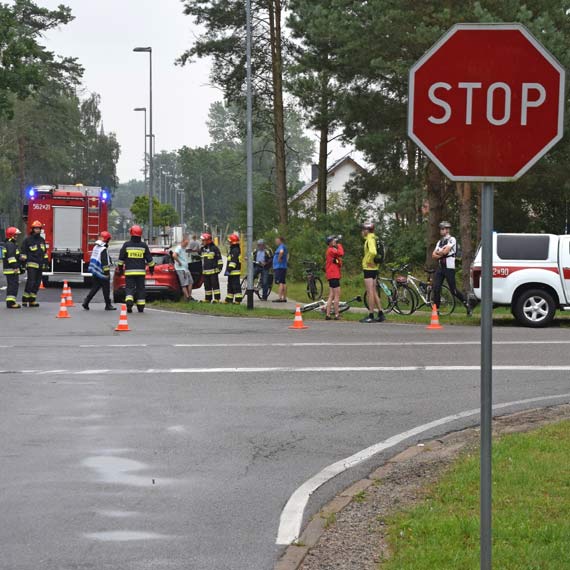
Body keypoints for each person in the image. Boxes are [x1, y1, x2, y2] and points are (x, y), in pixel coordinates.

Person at [432, 221, 472, 315]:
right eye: (441, 229)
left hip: (449, 268)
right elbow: (433, 255)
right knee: (436, 288)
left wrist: (439, 253)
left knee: (453, 290)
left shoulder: (452, 239)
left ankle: (467, 304)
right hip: (441, 267)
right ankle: (436, 309)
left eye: (443, 229)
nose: (441, 231)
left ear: (447, 230)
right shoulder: (440, 242)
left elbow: (445, 252)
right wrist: (440, 253)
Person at [116, 225, 155, 313]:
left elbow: (121, 259)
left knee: (129, 288)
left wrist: (120, 269)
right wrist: (152, 269)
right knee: (140, 289)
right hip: (141, 273)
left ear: (131, 233)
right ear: (140, 234)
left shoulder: (126, 245)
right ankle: (140, 307)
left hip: (129, 272)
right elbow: (150, 260)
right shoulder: (143, 245)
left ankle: (129, 301)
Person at [82, 231, 116, 311]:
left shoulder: (96, 247)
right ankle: (108, 305)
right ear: (106, 240)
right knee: (106, 289)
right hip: (102, 272)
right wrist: (107, 273)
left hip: (95, 271)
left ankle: (86, 302)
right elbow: (104, 262)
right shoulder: (103, 249)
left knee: (95, 288)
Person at [360, 222, 386, 323]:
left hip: (368, 269)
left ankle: (371, 315)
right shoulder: (375, 238)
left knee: (370, 292)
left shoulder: (370, 239)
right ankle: (380, 313)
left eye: (363, 230)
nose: (362, 232)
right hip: (375, 269)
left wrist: (368, 261)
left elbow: (373, 252)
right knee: (374, 291)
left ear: (367, 230)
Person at [20, 220, 49, 307]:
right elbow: (23, 252)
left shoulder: (42, 240)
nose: (37, 230)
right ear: (32, 229)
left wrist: (46, 264)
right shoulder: (27, 240)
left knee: (37, 283)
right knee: (31, 282)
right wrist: (23, 264)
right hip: (31, 264)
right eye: (36, 228)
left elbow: (45, 253)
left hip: (40, 265)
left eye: (39, 229)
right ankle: (25, 300)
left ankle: (32, 300)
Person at [2, 227, 23, 309]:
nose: (16, 236)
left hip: (10, 269)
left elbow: (14, 256)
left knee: (12, 285)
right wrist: (15, 267)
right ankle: (10, 303)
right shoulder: (10, 244)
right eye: (15, 235)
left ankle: (11, 302)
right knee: (13, 286)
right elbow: (11, 257)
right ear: (11, 235)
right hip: (11, 269)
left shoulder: (10, 244)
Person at [325, 235, 344, 320]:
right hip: (334, 275)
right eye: (333, 241)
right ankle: (336, 315)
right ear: (330, 243)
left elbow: (338, 261)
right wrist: (339, 245)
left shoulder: (330, 251)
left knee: (331, 295)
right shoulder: (331, 250)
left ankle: (328, 315)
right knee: (337, 295)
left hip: (331, 275)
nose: (335, 242)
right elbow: (341, 253)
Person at [200, 232, 223, 303]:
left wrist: (219, 268)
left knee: (215, 286)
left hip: (213, 271)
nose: (202, 242)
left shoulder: (215, 249)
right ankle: (208, 299)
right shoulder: (203, 249)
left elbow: (219, 260)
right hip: (205, 272)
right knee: (207, 286)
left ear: (207, 240)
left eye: (203, 240)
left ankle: (217, 299)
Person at [173, 235, 193, 301]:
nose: (186, 245)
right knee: (184, 284)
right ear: (183, 241)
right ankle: (187, 297)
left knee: (190, 282)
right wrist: (179, 262)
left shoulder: (184, 248)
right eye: (186, 243)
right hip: (181, 269)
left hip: (185, 269)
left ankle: (189, 296)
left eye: (187, 244)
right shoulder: (178, 248)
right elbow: (174, 255)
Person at [225, 233, 243, 304]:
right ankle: (229, 299)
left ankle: (238, 300)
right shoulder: (233, 249)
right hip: (232, 272)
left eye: (230, 241)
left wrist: (229, 269)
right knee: (230, 286)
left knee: (236, 286)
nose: (229, 243)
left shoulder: (235, 250)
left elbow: (233, 262)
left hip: (234, 271)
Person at [272, 236, 288, 303]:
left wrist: (279, 259)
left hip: (279, 267)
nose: (276, 242)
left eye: (277, 240)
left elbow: (281, 252)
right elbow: (287, 255)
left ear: (280, 240)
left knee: (280, 282)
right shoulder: (283, 246)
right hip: (282, 266)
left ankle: (280, 298)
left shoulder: (281, 246)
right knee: (283, 282)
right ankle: (284, 297)